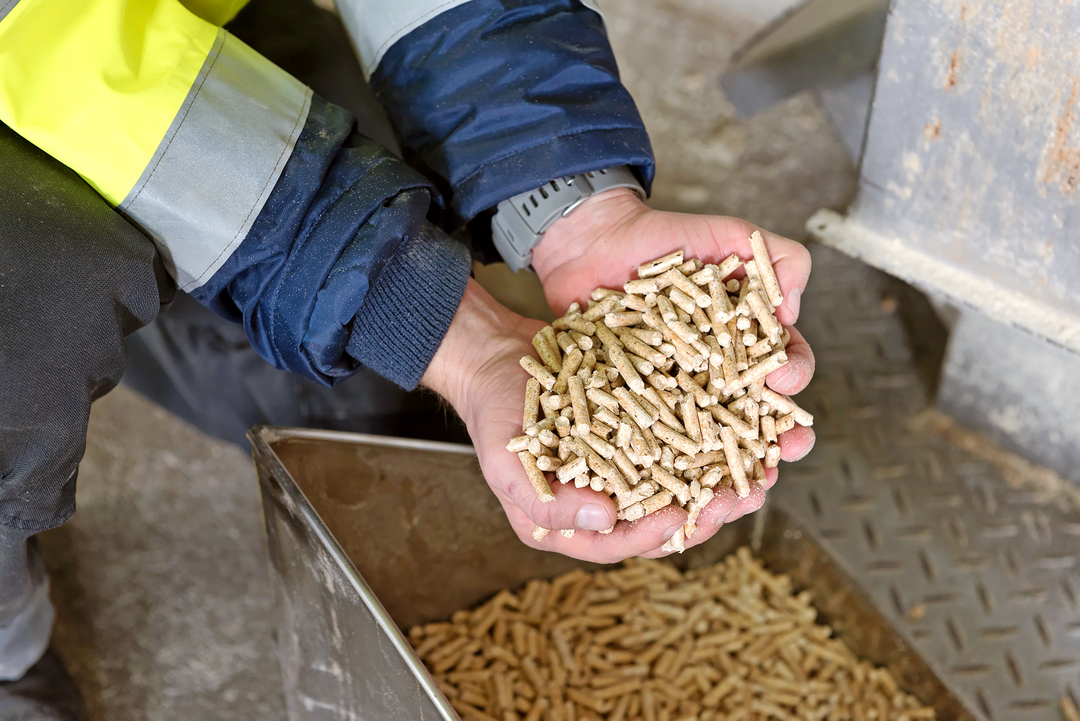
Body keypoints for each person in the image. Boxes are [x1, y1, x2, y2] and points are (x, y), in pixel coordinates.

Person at [0, 0, 815, 716]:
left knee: (359, 382)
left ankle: (177, 278)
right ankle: (10, 649)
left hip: (158, 34)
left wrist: (570, 196)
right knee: (23, 351)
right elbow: (50, 49)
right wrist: (399, 294)